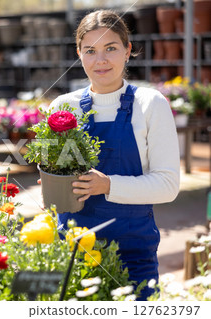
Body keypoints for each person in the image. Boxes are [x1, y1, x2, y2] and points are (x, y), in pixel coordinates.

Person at [48, 10, 180, 300]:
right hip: (74, 253)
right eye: (90, 51)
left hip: (132, 254)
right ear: (79, 53)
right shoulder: (63, 107)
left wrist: (107, 185)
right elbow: (56, 187)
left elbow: (168, 185)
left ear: (128, 50)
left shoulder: (150, 104)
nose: (101, 60)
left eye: (111, 48)